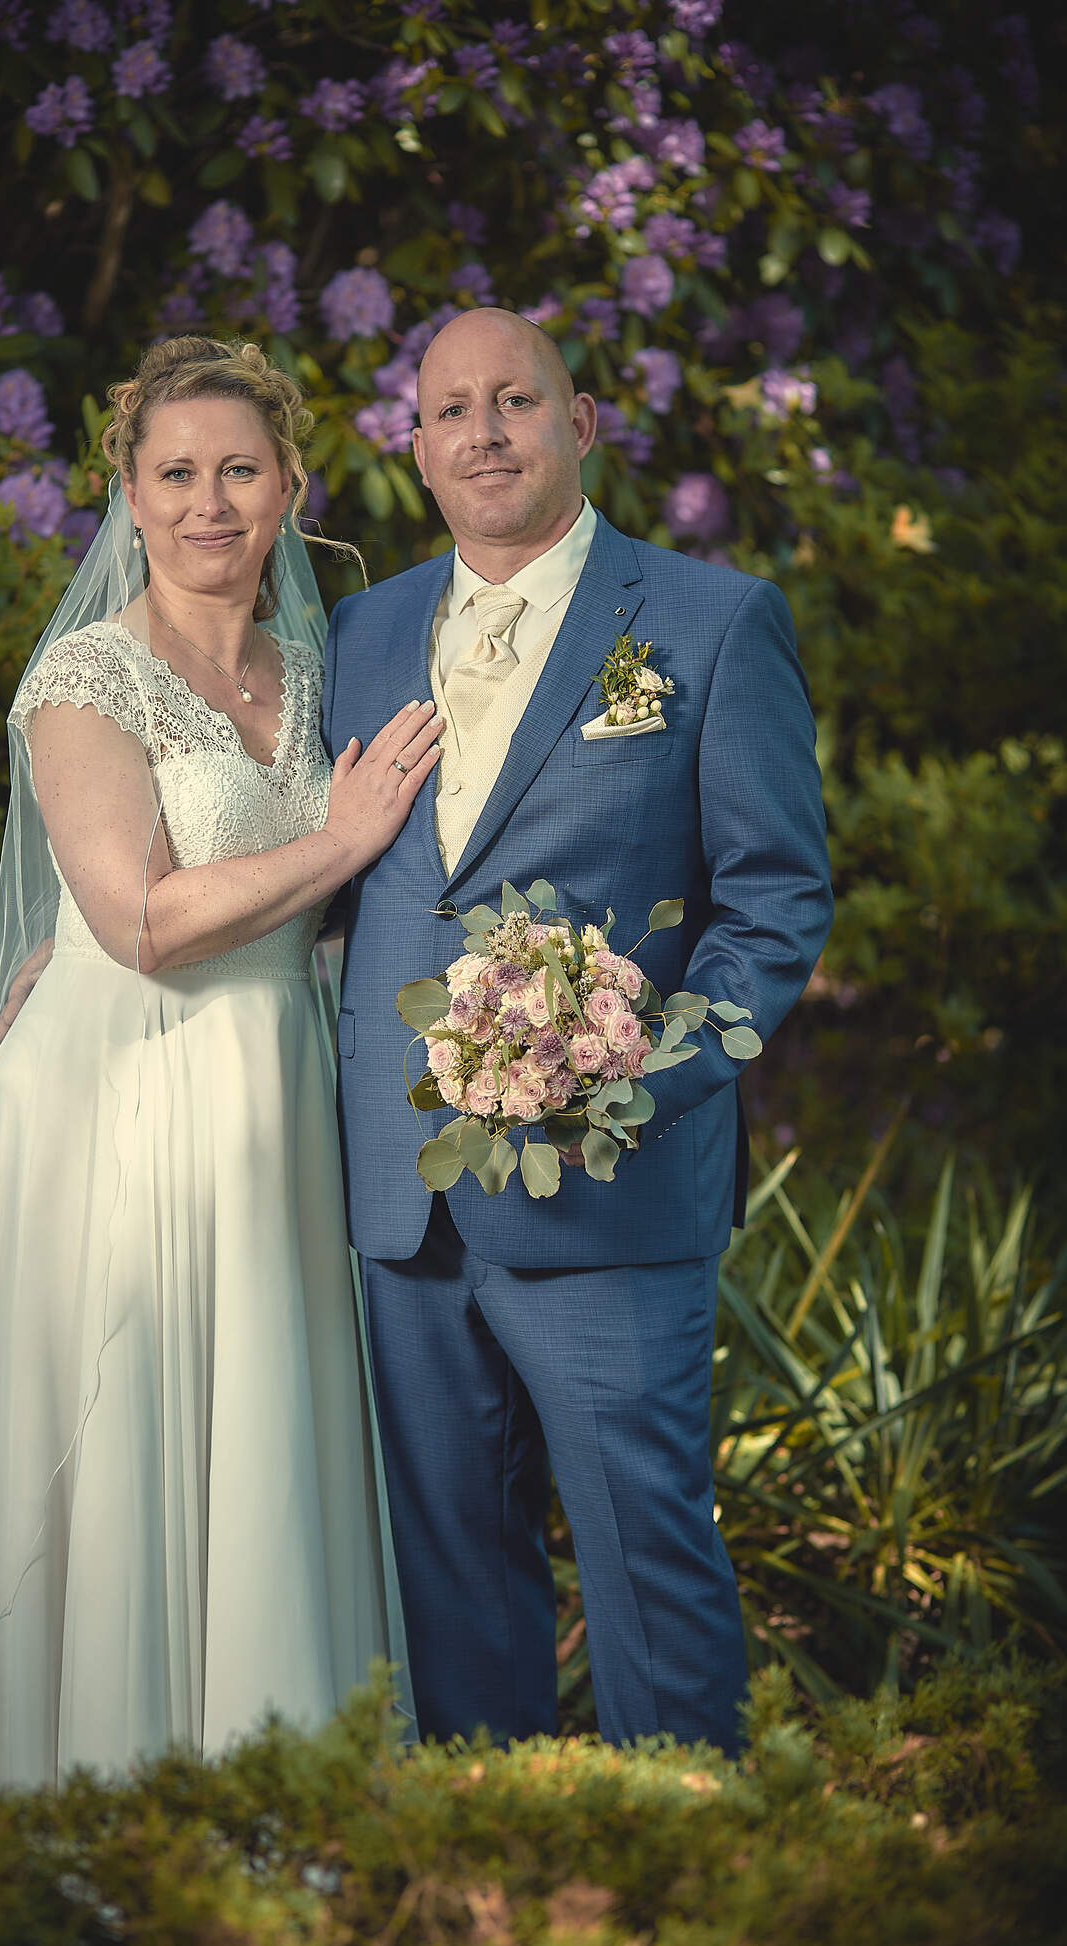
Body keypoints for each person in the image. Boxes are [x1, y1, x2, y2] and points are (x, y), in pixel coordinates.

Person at [0, 336, 438, 1803]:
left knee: (265, 1429)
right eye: (175, 474)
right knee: (141, 1434)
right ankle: (116, 1805)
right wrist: (338, 841)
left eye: (239, 470)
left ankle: (275, 1792)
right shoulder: (88, 678)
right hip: (122, 1094)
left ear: (288, 490)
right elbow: (138, 921)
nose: (209, 502)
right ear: (129, 497)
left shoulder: (321, 666)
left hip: (274, 1087)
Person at [322, 308, 833, 1758]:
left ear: (582, 422)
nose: (483, 432)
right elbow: (315, 876)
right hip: (405, 1196)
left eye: (516, 400)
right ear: (416, 449)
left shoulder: (710, 620)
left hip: (613, 1191)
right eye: (450, 410)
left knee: (646, 1557)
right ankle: (502, 1860)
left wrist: (629, 1076)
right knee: (448, 1574)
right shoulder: (360, 633)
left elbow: (774, 904)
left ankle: (687, 1855)